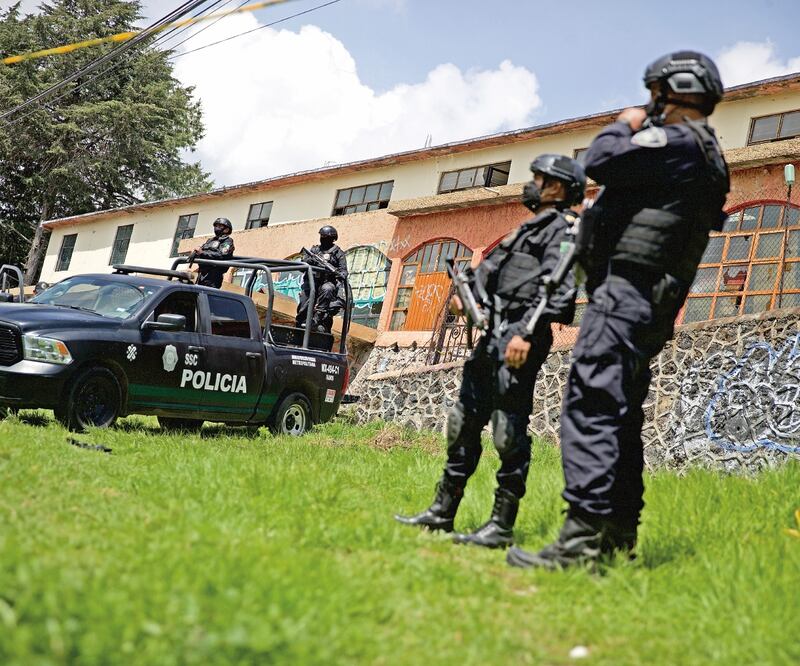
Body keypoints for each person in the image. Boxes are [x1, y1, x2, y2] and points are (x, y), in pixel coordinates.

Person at [507, 51, 730, 569]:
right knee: (620, 415)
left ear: (667, 92)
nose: (647, 104)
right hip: (647, 298)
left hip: (627, 295)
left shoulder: (677, 141)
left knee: (592, 404)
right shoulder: (703, 153)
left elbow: (599, 162)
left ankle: (582, 540)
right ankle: (615, 540)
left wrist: (623, 124)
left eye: (653, 95)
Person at [394, 154, 585, 548]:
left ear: (560, 188)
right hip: (491, 335)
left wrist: (527, 335)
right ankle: (442, 512)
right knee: (462, 422)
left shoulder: (565, 231)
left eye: (539, 179)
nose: (531, 185)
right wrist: (464, 299)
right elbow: (484, 275)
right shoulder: (523, 232)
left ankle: (500, 525)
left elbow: (559, 288)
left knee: (507, 430)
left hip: (520, 336)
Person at [295, 225, 348, 333]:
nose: (323, 239)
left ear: (333, 239)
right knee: (305, 302)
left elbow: (344, 271)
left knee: (327, 289)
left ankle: (317, 318)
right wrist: (311, 261)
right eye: (322, 236)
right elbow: (302, 267)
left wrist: (339, 274)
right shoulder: (314, 250)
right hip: (311, 282)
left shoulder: (338, 253)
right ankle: (300, 323)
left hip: (327, 282)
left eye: (326, 237)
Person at [192, 217, 235, 288]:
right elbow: (202, 251)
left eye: (220, 226)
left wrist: (202, 253)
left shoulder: (227, 241)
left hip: (214, 275)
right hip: (202, 273)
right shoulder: (210, 240)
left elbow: (222, 255)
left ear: (226, 229)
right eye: (216, 226)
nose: (217, 228)